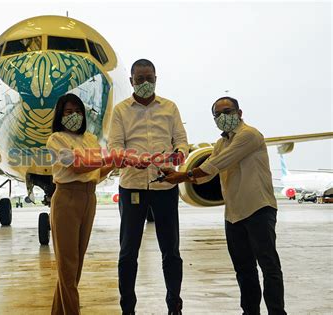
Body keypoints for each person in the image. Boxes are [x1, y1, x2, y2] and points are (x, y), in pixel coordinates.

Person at [160, 96, 287, 315]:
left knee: (269, 267)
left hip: (258, 209)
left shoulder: (249, 135)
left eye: (227, 111)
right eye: (217, 115)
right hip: (234, 214)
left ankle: (277, 312)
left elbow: (217, 163)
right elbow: (207, 174)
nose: (223, 117)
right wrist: (179, 176)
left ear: (239, 113)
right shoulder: (220, 143)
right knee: (244, 270)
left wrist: (183, 176)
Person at [108, 59, 189, 315]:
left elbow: (182, 142)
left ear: (156, 78)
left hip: (165, 186)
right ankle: (128, 308)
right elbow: (114, 148)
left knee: (171, 251)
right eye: (140, 79)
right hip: (132, 186)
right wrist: (130, 159)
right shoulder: (120, 111)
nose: (145, 83)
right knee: (128, 251)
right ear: (131, 81)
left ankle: (174, 304)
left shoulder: (170, 108)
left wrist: (177, 158)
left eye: (149, 78)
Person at [46, 93, 115, 315]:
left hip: (89, 197)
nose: (74, 115)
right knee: (68, 268)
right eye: (68, 112)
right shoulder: (56, 139)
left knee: (74, 269)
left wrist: (115, 163)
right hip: (67, 199)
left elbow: (95, 172)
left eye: (77, 111)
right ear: (60, 115)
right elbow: (77, 166)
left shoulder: (91, 139)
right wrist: (108, 159)